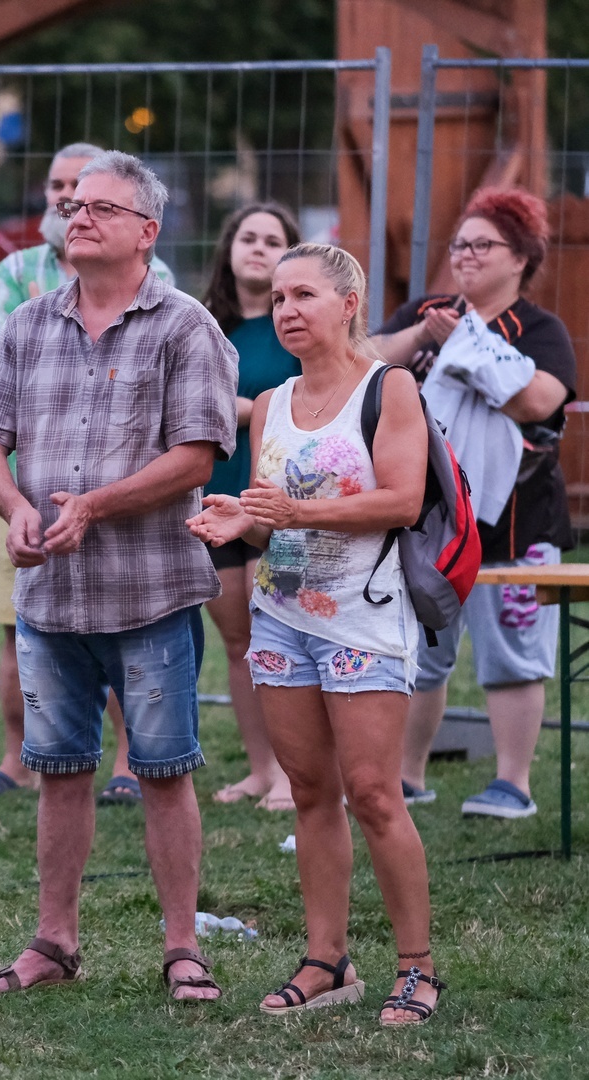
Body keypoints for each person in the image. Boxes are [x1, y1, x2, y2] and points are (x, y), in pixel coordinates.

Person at [0, 151, 234, 1001]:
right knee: (59, 769)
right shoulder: (27, 324)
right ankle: (54, 941)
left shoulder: (186, 326)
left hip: (150, 592)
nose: (78, 216)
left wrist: (95, 506)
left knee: (164, 770)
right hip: (50, 598)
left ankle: (182, 946)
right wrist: (17, 506)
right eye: (75, 205)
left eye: (102, 208)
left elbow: (197, 456)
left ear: (147, 231)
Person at [189, 243, 445, 1026]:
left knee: (373, 793)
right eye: (277, 299)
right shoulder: (270, 402)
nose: (287, 310)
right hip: (283, 617)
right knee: (308, 791)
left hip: (363, 616)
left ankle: (417, 968)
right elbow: (270, 523)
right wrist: (242, 518)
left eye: (304, 295)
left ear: (348, 304)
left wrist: (295, 512)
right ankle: (327, 959)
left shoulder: (389, 387)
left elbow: (402, 500)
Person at [0, 142, 176, 802]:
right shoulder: (20, 283)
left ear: (143, 230)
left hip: (133, 528)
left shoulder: (170, 301)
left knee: (129, 652)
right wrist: (16, 505)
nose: (68, 205)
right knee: (18, 633)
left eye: (90, 199)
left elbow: (184, 439)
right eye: (63, 193)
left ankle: (129, 764)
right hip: (21, 496)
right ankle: (19, 758)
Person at [373, 187, 576, 818]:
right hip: (431, 521)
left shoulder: (539, 329)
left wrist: (470, 349)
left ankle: (513, 784)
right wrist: (424, 335)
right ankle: (407, 776)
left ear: (520, 258)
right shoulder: (425, 312)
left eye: (482, 244)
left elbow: (539, 400)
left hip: (519, 522)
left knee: (513, 655)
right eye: (459, 243)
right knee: (420, 651)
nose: (465, 254)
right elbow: (363, 361)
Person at [198, 202, 303, 811]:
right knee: (238, 641)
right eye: (248, 237)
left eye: (272, 240)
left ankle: (297, 775)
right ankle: (262, 770)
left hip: (280, 506)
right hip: (216, 498)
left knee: (283, 633)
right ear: (229, 249)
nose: (258, 248)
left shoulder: (296, 325)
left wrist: (240, 408)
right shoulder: (202, 323)